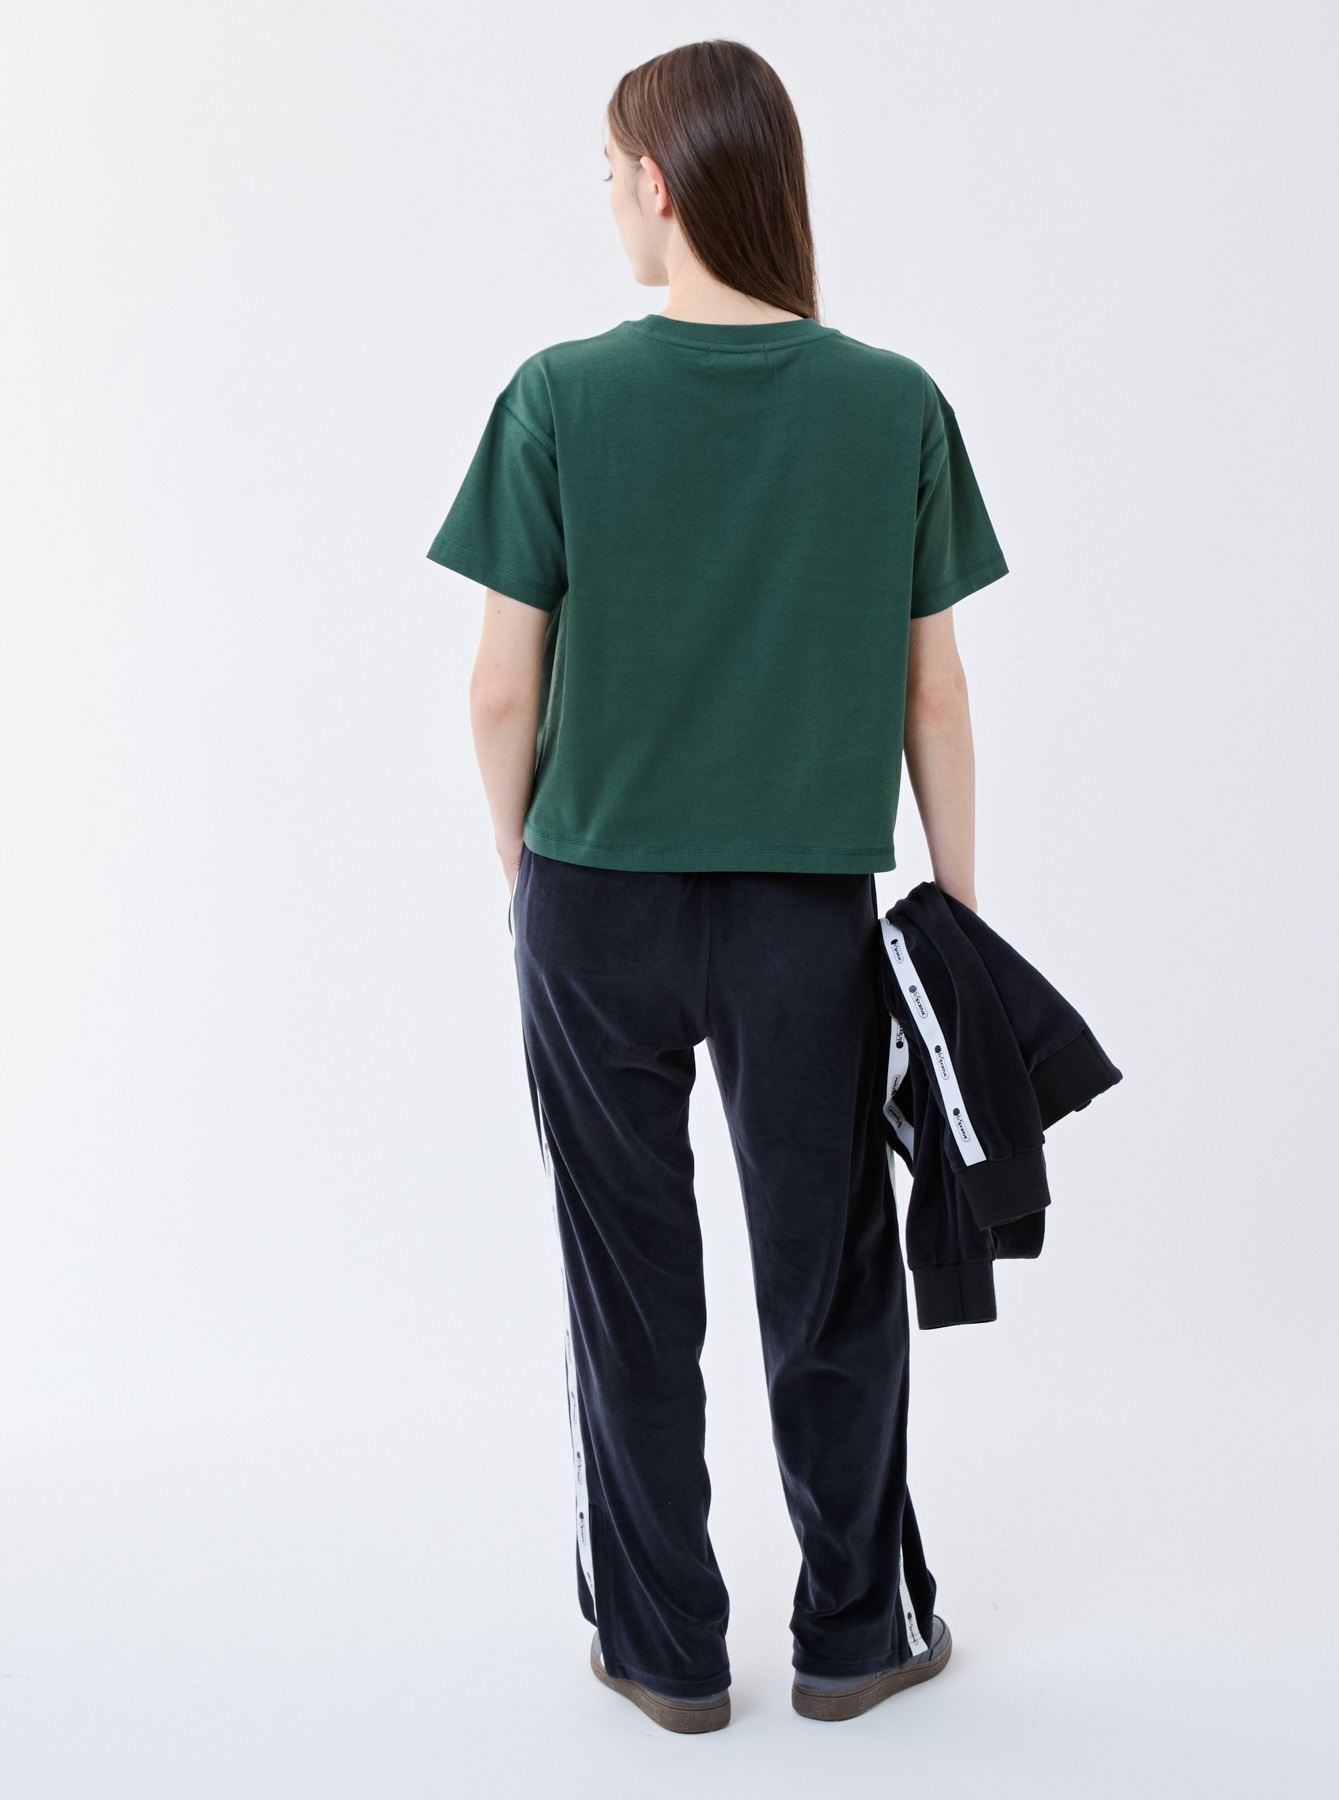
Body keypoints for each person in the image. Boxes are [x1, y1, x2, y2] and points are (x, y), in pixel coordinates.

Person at [426, 39, 1008, 1732]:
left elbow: (497, 691)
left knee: (629, 1285)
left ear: (660, 183)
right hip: (802, 915)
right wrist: (958, 919)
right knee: (829, 1274)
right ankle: (855, 1635)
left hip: (591, 898)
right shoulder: (892, 403)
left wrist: (524, 866)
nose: (607, 201)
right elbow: (935, 696)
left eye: (610, 172)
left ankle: (665, 1651)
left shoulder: (558, 396)